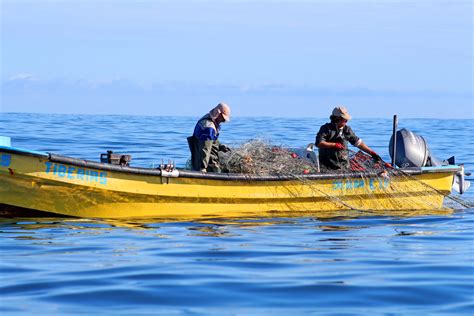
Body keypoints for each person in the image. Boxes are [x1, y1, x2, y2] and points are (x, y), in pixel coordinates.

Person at [315, 106, 383, 170]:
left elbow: (358, 143)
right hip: (327, 165)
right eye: (345, 120)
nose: (346, 121)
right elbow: (319, 143)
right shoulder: (326, 128)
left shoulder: (347, 130)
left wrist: (372, 153)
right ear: (337, 118)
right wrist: (334, 145)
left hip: (344, 165)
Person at [187, 103, 231, 173]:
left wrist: (220, 146)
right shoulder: (209, 127)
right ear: (218, 113)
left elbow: (211, 141)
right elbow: (205, 149)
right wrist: (203, 168)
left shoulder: (208, 120)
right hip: (208, 166)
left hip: (200, 161)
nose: (223, 121)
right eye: (223, 118)